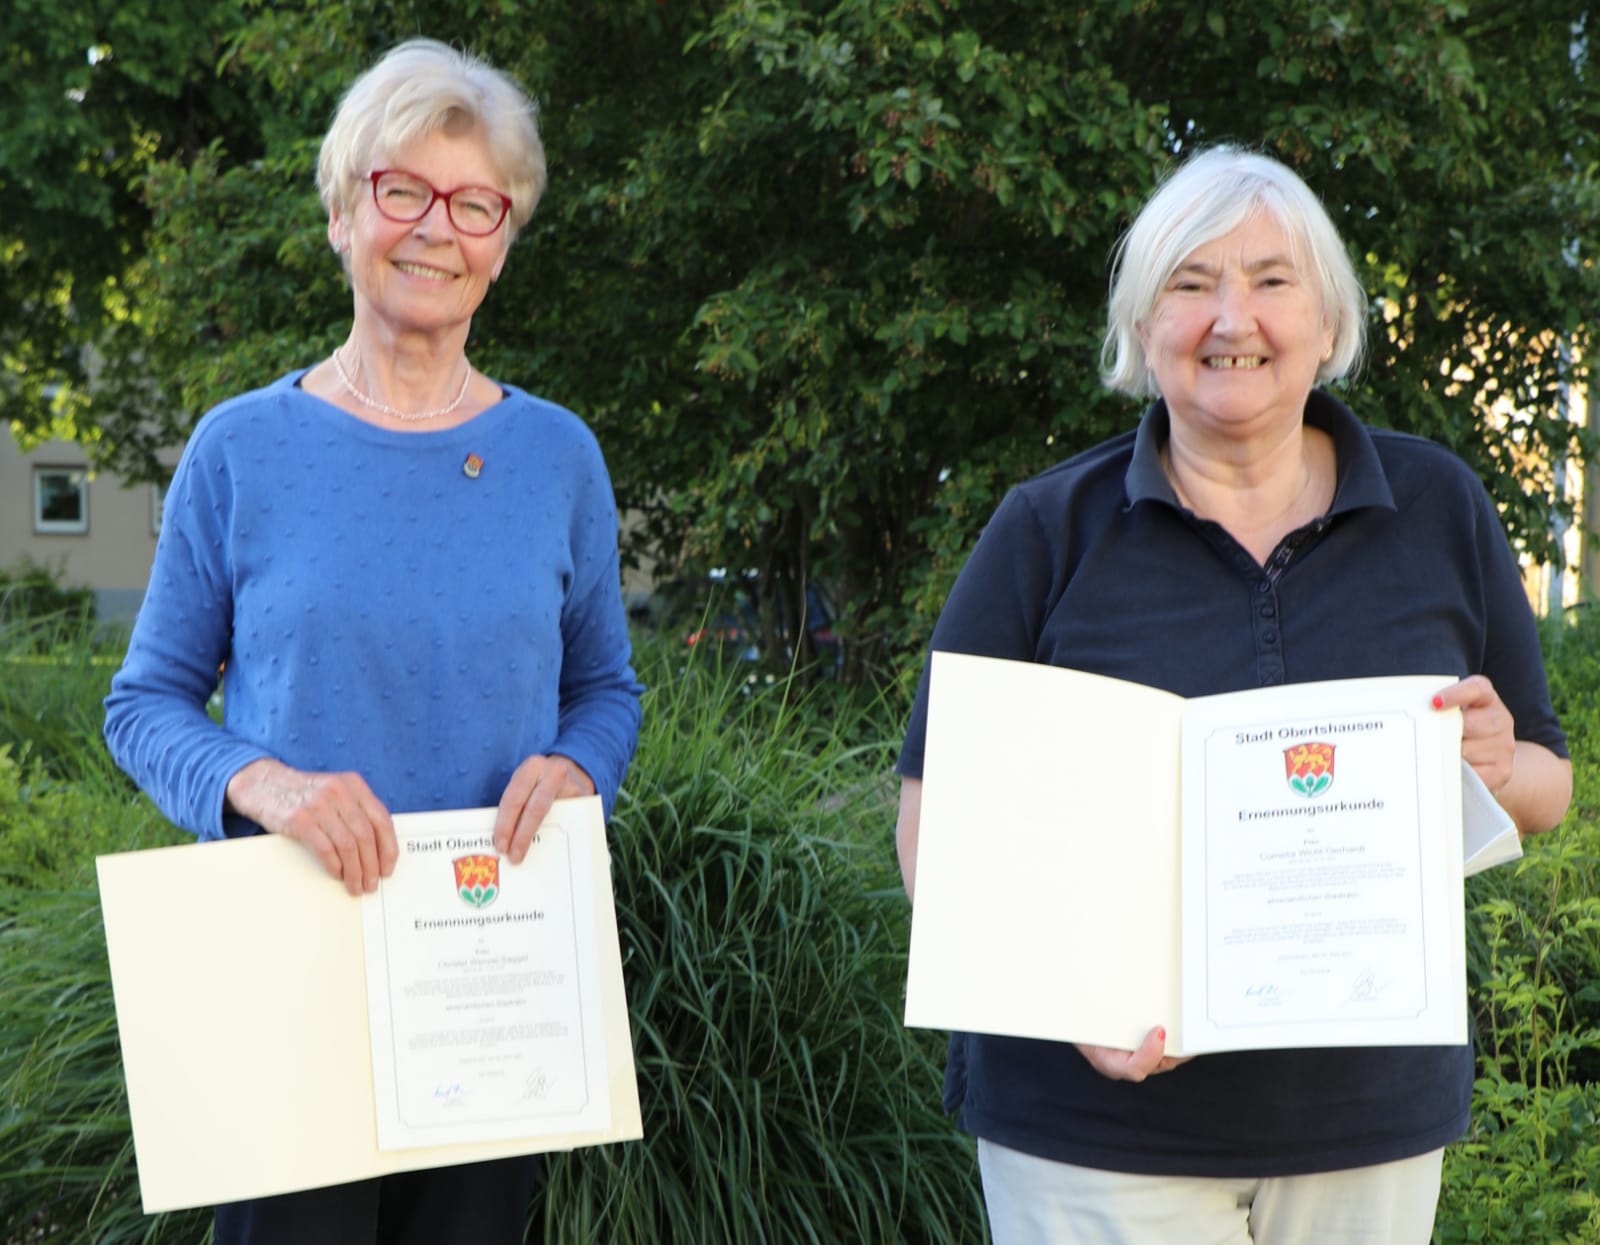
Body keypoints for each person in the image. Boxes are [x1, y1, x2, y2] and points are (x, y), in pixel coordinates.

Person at [892, 146, 1571, 1245]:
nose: (1230, 317)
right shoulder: (1044, 531)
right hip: (1091, 1134)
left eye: (1268, 279)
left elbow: (1547, 782)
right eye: (1190, 282)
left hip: (1366, 1124)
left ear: (1328, 317)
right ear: (1142, 324)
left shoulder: (1438, 506)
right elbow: (935, 818)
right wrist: (1065, 1007)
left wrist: (1495, 763)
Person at [103, 37, 643, 1245]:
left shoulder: (557, 458)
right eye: (402, 189)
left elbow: (606, 689)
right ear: (346, 212)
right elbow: (142, 705)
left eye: (473, 203)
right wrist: (266, 783)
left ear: (501, 242)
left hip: (485, 988)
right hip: (287, 979)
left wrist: (578, 769)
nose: (434, 228)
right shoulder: (241, 448)